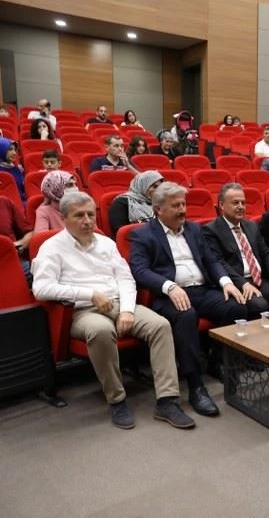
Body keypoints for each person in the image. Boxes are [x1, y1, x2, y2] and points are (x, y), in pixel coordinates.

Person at [33, 191, 196, 430]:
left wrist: (128, 311)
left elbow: (126, 279)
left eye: (90, 214)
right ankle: (117, 399)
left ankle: (167, 400)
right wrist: (89, 295)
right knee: (101, 330)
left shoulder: (106, 243)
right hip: (81, 311)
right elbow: (41, 288)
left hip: (118, 302)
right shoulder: (52, 247)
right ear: (64, 218)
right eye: (79, 216)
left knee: (160, 325)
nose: (87, 220)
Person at [129, 182, 248, 416]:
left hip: (202, 290)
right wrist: (169, 286)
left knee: (236, 306)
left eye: (183, 204)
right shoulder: (142, 234)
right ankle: (196, 386)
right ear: (158, 209)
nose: (183, 210)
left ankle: (216, 360)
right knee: (186, 316)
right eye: (175, 206)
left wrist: (226, 282)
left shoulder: (194, 229)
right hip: (168, 295)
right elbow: (140, 270)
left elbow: (211, 260)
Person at [203, 183, 269, 319]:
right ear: (222, 205)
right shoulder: (211, 230)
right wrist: (242, 283)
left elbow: (265, 253)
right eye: (235, 203)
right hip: (238, 282)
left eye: (243, 203)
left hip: (260, 279)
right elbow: (219, 263)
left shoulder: (251, 225)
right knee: (260, 306)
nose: (241, 207)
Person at [108, 171, 164, 239]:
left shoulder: (160, 203)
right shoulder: (121, 203)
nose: (158, 190)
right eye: (154, 186)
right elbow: (121, 233)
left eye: (160, 187)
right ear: (142, 185)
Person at [0, 194, 33, 284]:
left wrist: (21, 244)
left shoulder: (5, 202)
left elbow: (29, 232)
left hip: (13, 260)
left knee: (41, 272)